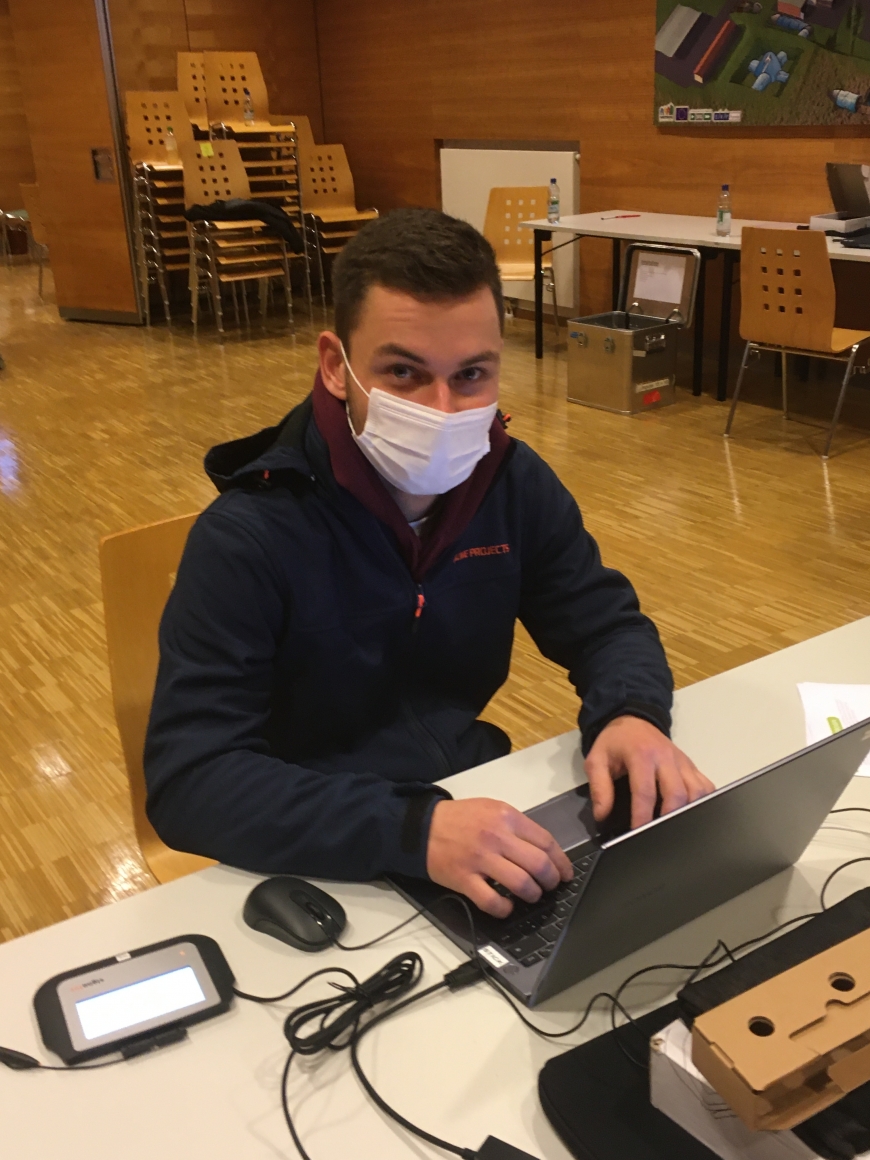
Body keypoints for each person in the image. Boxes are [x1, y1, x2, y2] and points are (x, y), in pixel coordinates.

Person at [144, 208, 713, 918]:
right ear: (336, 366)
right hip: (318, 849)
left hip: (469, 805)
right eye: (403, 372)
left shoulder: (511, 484)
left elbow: (606, 625)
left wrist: (630, 713)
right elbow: (192, 780)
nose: (442, 409)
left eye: (471, 374)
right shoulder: (248, 536)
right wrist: (413, 829)